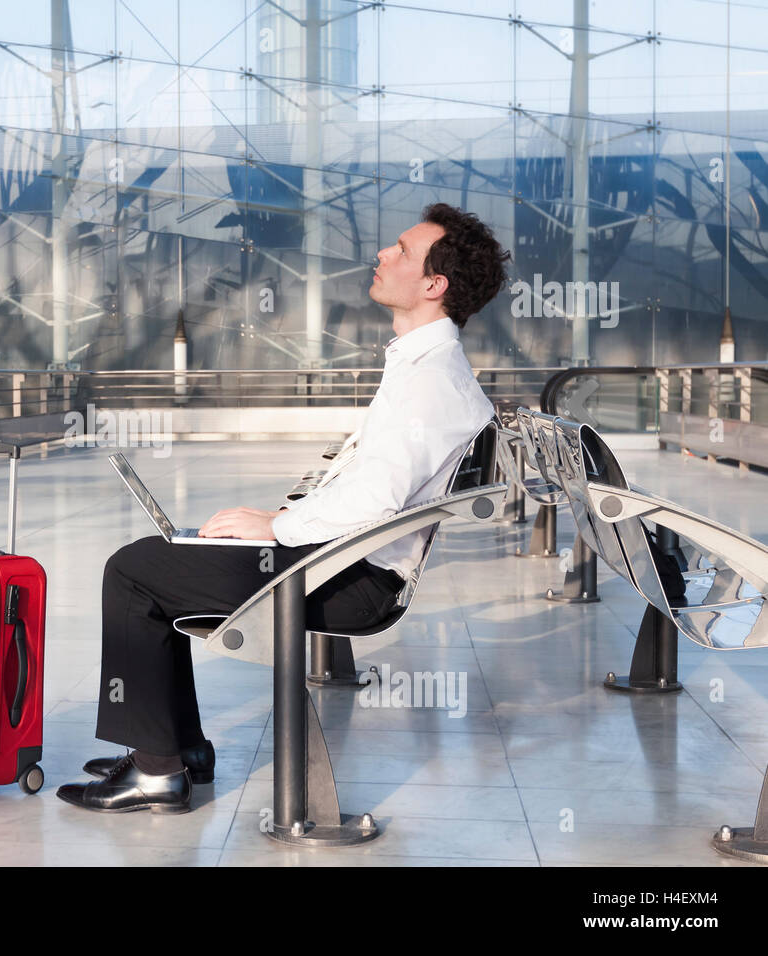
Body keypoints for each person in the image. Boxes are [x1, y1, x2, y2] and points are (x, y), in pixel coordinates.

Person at [56, 203, 511, 814]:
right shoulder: (423, 365)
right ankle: (178, 748)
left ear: (434, 285)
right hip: (343, 559)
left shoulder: (431, 381)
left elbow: (375, 500)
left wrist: (276, 526)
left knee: (135, 570)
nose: (382, 254)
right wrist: (277, 525)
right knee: (172, 556)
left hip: (352, 577)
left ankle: (157, 771)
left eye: (402, 250)